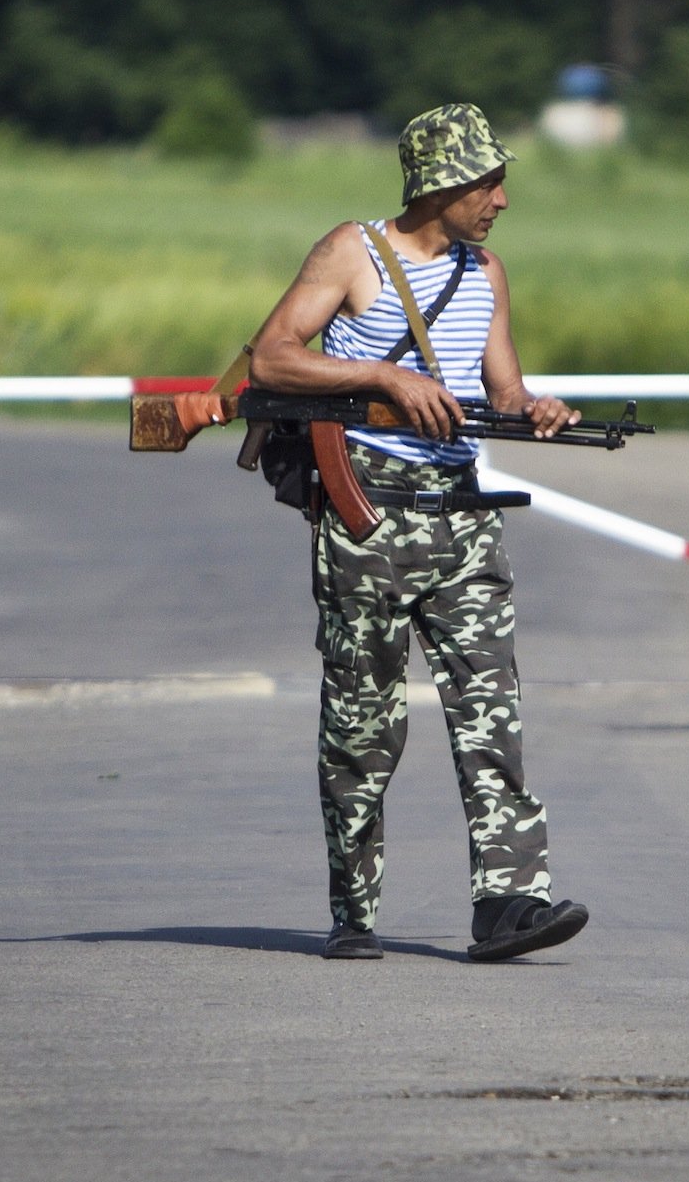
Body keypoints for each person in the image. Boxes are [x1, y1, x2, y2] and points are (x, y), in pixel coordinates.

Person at [249, 103, 591, 963]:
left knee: (493, 713)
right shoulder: (350, 252)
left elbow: (501, 391)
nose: (503, 199)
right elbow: (272, 355)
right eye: (490, 182)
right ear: (444, 183)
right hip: (367, 511)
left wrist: (535, 409)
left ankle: (511, 904)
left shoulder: (488, 272)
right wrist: (380, 376)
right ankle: (354, 912)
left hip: (462, 515)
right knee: (364, 726)